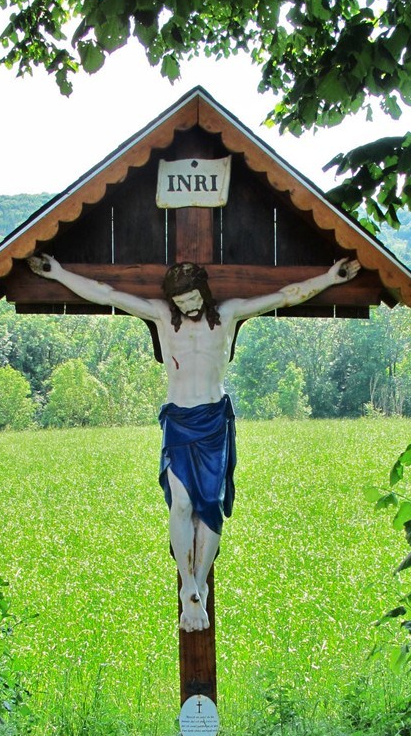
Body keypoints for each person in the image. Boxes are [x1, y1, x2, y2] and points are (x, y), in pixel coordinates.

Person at [27, 253, 360, 631]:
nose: (187, 308)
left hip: (214, 420)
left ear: (203, 292)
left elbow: (287, 295)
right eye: (181, 304)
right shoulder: (160, 316)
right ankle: (189, 586)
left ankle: (197, 587)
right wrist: (59, 271)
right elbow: (106, 294)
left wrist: (332, 278)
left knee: (211, 505)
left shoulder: (231, 312)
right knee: (182, 502)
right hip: (180, 420)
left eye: (192, 300)